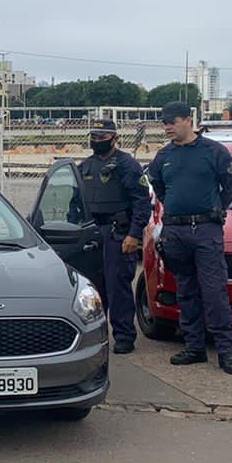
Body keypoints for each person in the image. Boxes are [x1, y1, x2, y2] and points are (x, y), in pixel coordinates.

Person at [147, 102, 232, 375]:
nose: (167, 127)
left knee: (214, 291)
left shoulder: (213, 151)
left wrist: (215, 210)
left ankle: (225, 351)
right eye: (164, 123)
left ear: (188, 120)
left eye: (172, 122)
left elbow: (230, 186)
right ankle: (194, 347)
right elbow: (159, 186)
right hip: (176, 231)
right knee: (186, 290)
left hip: (205, 229)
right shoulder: (164, 156)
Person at [74, 119, 153, 354]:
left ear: (115, 138)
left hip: (118, 234)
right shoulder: (84, 167)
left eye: (102, 137)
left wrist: (134, 235)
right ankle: (93, 336)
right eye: (94, 136)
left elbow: (141, 203)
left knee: (117, 288)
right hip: (91, 235)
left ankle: (124, 336)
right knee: (90, 290)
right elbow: (74, 204)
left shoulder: (127, 165)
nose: (97, 141)